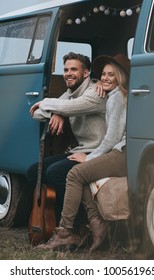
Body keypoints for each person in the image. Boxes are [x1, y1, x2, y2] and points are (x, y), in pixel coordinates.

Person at [38, 53, 130, 252]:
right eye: (103, 74)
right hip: (113, 150)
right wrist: (58, 112)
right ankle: (95, 226)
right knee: (78, 174)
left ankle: (68, 231)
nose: (104, 78)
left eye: (110, 75)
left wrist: (90, 157)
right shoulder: (111, 94)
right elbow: (44, 110)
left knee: (75, 173)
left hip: (120, 151)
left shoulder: (115, 97)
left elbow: (113, 139)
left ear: (120, 77)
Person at [27, 52, 107, 223]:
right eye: (65, 70)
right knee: (34, 172)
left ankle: (80, 225)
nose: (68, 73)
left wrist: (54, 106)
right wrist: (59, 112)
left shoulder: (96, 93)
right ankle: (53, 220)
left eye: (73, 69)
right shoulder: (70, 93)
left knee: (54, 172)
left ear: (86, 73)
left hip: (99, 152)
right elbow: (36, 114)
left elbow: (73, 106)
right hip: (80, 151)